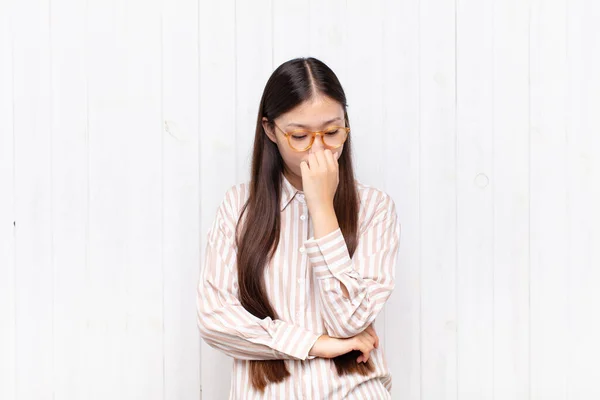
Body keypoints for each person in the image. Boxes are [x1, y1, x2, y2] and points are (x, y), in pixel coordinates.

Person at [196, 57, 401, 399]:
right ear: (269, 130)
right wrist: (316, 344)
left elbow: (349, 321)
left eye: (333, 132)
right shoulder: (239, 208)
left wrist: (322, 208)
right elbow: (215, 320)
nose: (318, 148)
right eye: (299, 135)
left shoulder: (374, 208)